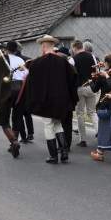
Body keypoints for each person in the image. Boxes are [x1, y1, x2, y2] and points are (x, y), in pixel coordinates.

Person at [26, 35, 78, 164]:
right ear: (52, 46)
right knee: (58, 123)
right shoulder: (63, 61)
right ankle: (64, 152)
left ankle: (53, 155)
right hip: (61, 99)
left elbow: (32, 83)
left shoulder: (36, 63)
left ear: (43, 46)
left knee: (48, 125)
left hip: (45, 100)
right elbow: (73, 78)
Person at [89, 54, 111, 163]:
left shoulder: (105, 75)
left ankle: (100, 153)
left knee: (104, 129)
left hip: (105, 105)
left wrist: (92, 81)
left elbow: (95, 89)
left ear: (107, 63)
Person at [71, 40, 100, 147]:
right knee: (92, 112)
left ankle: (83, 140)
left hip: (79, 88)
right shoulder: (92, 56)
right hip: (91, 86)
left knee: (80, 114)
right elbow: (97, 70)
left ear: (74, 47)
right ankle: (99, 132)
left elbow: (70, 75)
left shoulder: (73, 60)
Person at [16, 42, 34, 142]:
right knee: (27, 114)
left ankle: (23, 136)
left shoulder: (12, 60)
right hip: (27, 89)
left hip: (16, 89)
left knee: (19, 114)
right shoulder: (28, 59)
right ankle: (30, 133)